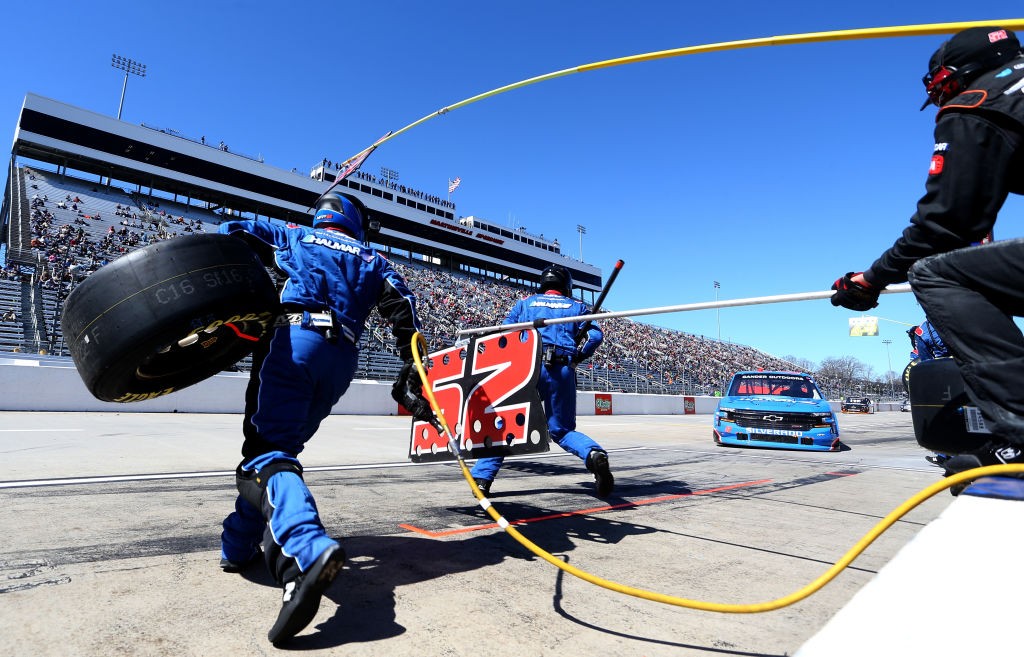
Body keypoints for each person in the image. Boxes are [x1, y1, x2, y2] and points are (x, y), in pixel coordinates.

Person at [217, 192, 435, 644]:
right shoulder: (374, 259)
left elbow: (231, 232)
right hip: (341, 360)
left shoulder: (295, 234)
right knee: (278, 457)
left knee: (265, 455)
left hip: (293, 340)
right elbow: (406, 313)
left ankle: (303, 548)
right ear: (357, 222)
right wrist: (413, 363)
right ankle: (236, 547)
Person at [830, 26, 1024, 481]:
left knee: (937, 274)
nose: (939, 104)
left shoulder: (978, 102)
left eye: (939, 91)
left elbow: (946, 223)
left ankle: (1019, 433)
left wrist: (871, 279)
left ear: (955, 77)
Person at [469, 264, 613, 498]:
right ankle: (593, 454)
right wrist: (577, 355)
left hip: (527, 368)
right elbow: (595, 336)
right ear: (566, 285)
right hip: (562, 369)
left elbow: (505, 332)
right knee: (562, 429)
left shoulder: (526, 303)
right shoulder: (577, 306)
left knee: (504, 423)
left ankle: (482, 478)